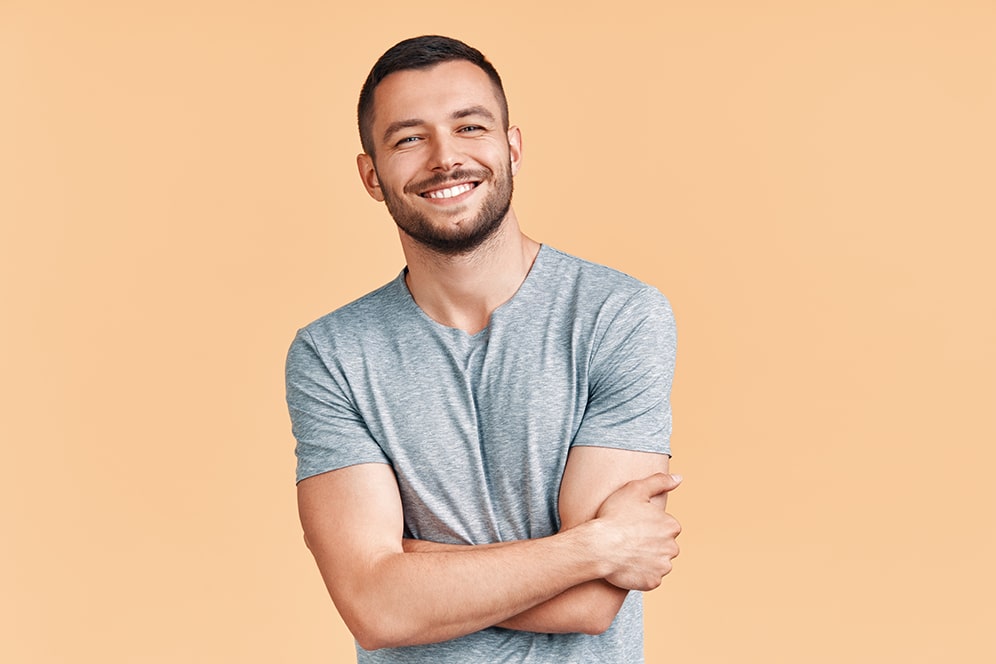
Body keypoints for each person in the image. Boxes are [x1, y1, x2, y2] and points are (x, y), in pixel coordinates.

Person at [286, 35, 681, 663]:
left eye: (470, 126)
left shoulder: (618, 315)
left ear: (512, 147)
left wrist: (404, 568)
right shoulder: (332, 354)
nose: (446, 158)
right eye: (409, 138)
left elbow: (592, 605)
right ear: (371, 175)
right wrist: (596, 547)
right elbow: (375, 609)